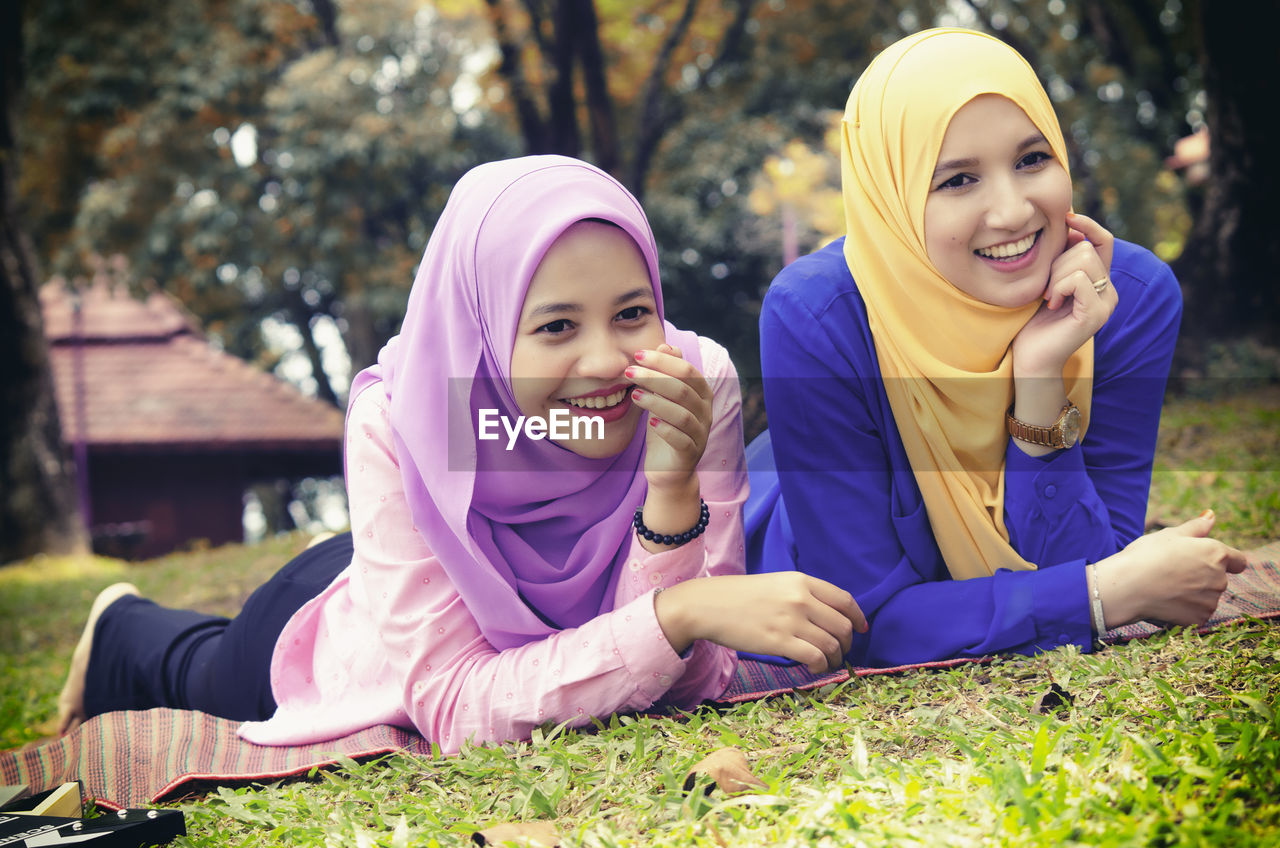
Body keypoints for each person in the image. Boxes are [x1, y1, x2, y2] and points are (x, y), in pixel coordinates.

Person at [57, 156, 866, 752]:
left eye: (632, 313)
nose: (605, 361)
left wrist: (671, 491)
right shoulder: (403, 419)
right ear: (484, 334)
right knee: (198, 671)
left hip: (436, 579)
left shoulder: (695, 381)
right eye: (554, 326)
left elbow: (693, 682)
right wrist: (678, 613)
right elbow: (455, 704)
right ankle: (118, 625)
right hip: (361, 625)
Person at [744, 29, 1246, 668]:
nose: (1012, 212)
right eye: (957, 180)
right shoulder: (818, 318)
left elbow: (1087, 552)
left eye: (1033, 160)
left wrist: (1040, 378)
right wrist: (1101, 595)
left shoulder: (1126, 298)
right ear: (891, 198)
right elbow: (862, 621)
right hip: (780, 536)